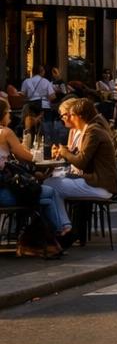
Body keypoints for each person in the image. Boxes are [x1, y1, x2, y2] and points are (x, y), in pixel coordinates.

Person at [48, 97, 117, 247]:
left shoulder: (93, 132)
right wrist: (66, 152)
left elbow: (81, 161)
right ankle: (66, 228)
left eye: (71, 115)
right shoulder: (93, 129)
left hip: (100, 185)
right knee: (52, 185)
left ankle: (65, 229)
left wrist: (64, 152)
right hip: (97, 181)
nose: (69, 119)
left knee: (50, 185)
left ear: (80, 116)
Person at [0, 98, 64, 246]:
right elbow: (26, 156)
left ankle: (56, 235)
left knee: (46, 199)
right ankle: (60, 235)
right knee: (50, 192)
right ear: (2, 114)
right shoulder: (5, 132)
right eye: (8, 112)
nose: (10, 115)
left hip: (4, 189)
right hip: (4, 194)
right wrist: (43, 157)